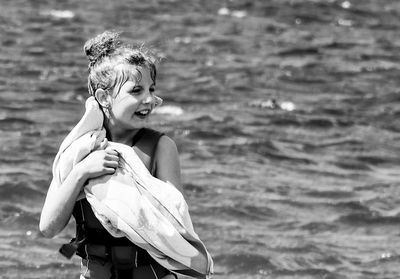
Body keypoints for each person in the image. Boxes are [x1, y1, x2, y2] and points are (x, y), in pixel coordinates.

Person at [39, 31, 183, 279]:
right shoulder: (79, 151)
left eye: (151, 89)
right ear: (104, 97)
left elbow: (177, 226)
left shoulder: (161, 148)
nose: (149, 99)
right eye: (136, 90)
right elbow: (48, 227)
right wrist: (82, 172)